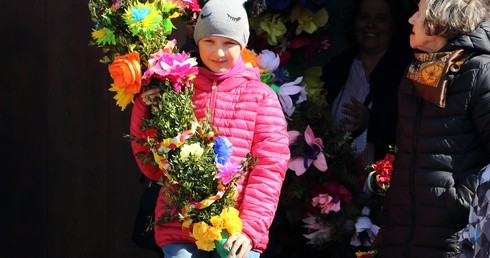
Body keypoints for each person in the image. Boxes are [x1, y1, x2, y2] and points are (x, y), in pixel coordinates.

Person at [130, 0, 290, 257]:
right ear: (197, 40)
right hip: (179, 224)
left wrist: (250, 229)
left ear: (243, 44)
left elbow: (269, 167)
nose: (218, 52)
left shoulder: (261, 97)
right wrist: (145, 108)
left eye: (229, 43)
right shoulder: (179, 89)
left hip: (234, 227)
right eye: (209, 41)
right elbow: (150, 164)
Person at [373, 0, 490, 257]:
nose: (411, 19)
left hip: (454, 236)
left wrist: (460, 201)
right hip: (401, 233)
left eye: (420, 12)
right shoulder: (417, 70)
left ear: (442, 20)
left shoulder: (481, 71)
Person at [321, 0, 412, 166]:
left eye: (381, 18)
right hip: (332, 178)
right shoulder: (336, 69)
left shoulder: (407, 73)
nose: (370, 25)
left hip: (384, 182)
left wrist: (372, 122)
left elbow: (414, 129)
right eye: (364, 17)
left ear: (393, 25)